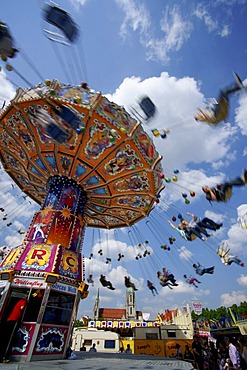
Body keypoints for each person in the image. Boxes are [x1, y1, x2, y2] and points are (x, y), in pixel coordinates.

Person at [0, 297, 28, 363]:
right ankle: (4, 357)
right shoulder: (24, 301)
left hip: (10, 320)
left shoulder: (19, 301)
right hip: (14, 320)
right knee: (10, 339)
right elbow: (22, 307)